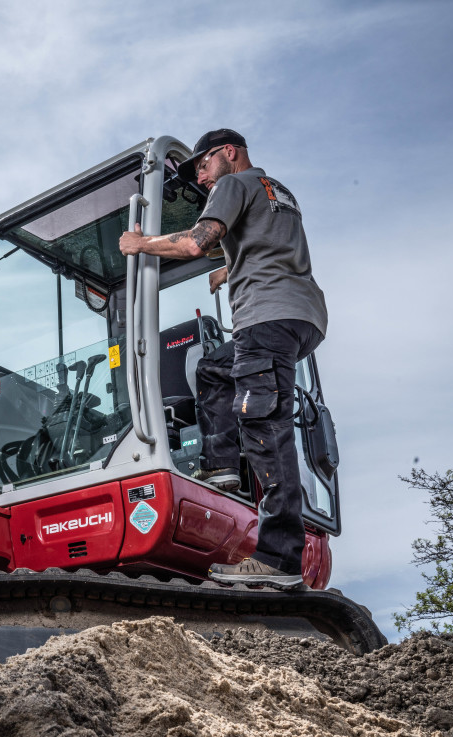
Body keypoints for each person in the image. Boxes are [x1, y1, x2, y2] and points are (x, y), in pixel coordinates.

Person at [118, 129, 327, 590]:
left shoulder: (232, 184)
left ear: (228, 152)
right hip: (302, 317)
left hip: (265, 317)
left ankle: (278, 559)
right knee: (214, 370)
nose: (201, 177)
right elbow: (269, 248)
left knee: (265, 429)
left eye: (203, 165)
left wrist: (141, 244)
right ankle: (222, 465)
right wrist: (231, 267)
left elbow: (196, 242)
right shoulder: (277, 192)